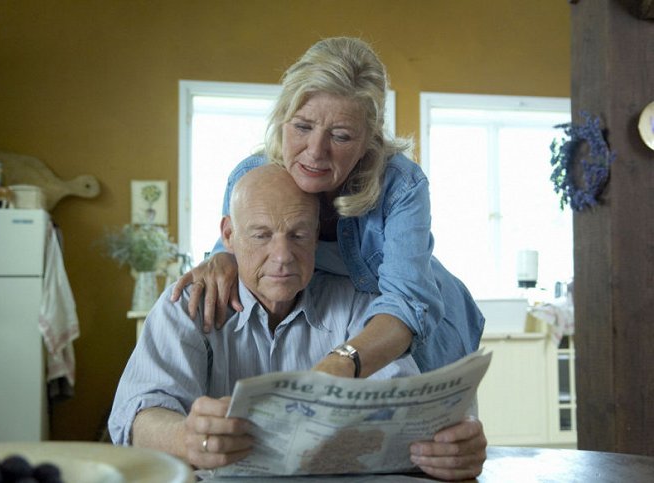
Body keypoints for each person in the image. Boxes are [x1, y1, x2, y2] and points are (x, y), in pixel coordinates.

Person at [172, 37, 487, 480]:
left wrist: (337, 365)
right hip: (335, 327)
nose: (315, 152)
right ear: (282, 119)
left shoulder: (402, 185)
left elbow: (405, 304)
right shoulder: (250, 174)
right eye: (302, 127)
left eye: (340, 136)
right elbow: (238, 242)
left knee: (434, 454)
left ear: (368, 141)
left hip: (416, 328)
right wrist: (221, 257)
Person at [108, 165, 421, 470]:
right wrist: (184, 436)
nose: (282, 256)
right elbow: (136, 414)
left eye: (298, 235)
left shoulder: (356, 304)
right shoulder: (187, 304)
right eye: (261, 235)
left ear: (316, 236)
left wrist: (448, 442)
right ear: (229, 235)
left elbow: (410, 407)